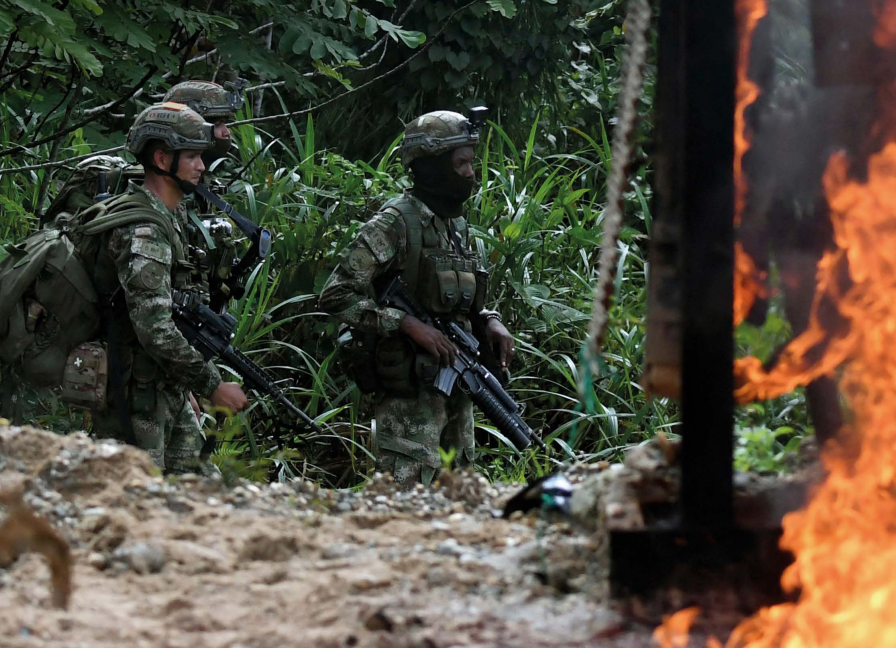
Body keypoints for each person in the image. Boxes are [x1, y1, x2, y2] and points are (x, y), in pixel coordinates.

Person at [319, 110, 515, 486]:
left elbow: (463, 298)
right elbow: (336, 293)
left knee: (459, 501)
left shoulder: (455, 226)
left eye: (471, 163)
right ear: (433, 167)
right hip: (409, 400)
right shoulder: (395, 223)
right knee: (401, 509)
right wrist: (405, 324)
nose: (470, 173)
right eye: (461, 164)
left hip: (456, 387)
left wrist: (490, 319)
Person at [89, 102, 249, 473]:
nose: (201, 166)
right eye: (192, 156)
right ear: (162, 159)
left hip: (164, 389)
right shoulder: (145, 230)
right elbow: (155, 329)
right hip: (133, 396)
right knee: (136, 505)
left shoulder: (170, 215)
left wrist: (188, 386)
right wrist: (212, 385)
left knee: (198, 494)